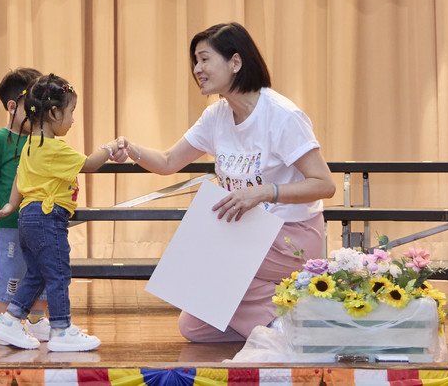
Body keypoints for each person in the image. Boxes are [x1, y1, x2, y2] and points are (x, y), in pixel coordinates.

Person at [111, 22, 336, 343]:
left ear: (235, 62)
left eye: (204, 59)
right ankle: (281, 324)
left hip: (291, 234)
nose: (197, 69)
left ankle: (289, 326)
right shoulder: (216, 116)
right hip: (243, 234)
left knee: (211, 265)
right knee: (194, 327)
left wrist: (264, 193)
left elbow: (324, 184)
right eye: (195, 61)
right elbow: (168, 161)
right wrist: (131, 149)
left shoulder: (282, 115)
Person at [0, 74, 114, 352]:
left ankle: (9, 321)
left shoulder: (29, 146)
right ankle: (61, 328)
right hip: (47, 218)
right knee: (58, 274)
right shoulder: (54, 148)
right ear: (54, 113)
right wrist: (110, 148)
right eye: (71, 112)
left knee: (37, 274)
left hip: (27, 218)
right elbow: (90, 164)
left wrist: (10, 205)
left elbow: (19, 179)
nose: (73, 120)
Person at [0, 67, 50, 342]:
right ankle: (3, 324)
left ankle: (37, 320)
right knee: (8, 273)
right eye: (32, 106)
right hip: (7, 224)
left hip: (37, 222)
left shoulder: (40, 140)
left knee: (39, 271)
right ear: (12, 106)